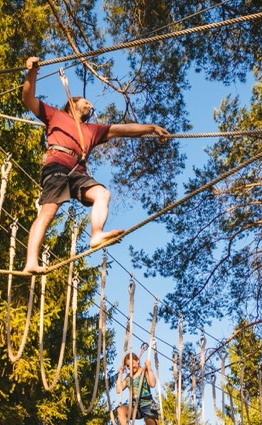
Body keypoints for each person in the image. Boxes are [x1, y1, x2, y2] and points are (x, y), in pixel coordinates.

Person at [21, 56, 171, 274]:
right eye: (85, 101)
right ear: (72, 102)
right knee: (48, 212)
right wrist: (32, 72)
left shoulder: (93, 130)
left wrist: (151, 127)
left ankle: (96, 234)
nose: (90, 105)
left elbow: (124, 129)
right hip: (57, 165)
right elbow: (28, 98)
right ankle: (31, 261)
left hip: (77, 171)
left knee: (102, 194)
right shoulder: (55, 115)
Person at [115, 351, 177, 425]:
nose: (130, 368)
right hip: (135, 407)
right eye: (128, 366)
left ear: (137, 361)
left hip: (147, 405)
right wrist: (121, 373)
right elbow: (118, 389)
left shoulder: (144, 371)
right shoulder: (128, 377)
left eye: (132, 365)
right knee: (120, 410)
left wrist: (149, 367)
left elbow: (152, 383)